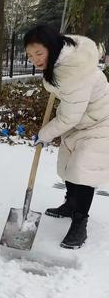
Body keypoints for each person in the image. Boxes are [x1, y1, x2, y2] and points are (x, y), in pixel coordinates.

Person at [24, 25, 109, 249]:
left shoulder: (74, 73)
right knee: (68, 166)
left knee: (83, 171)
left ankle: (80, 223)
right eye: (30, 55)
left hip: (100, 123)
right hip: (82, 119)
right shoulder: (62, 60)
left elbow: (69, 118)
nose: (34, 59)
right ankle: (70, 205)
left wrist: (44, 134)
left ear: (52, 47)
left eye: (39, 53)